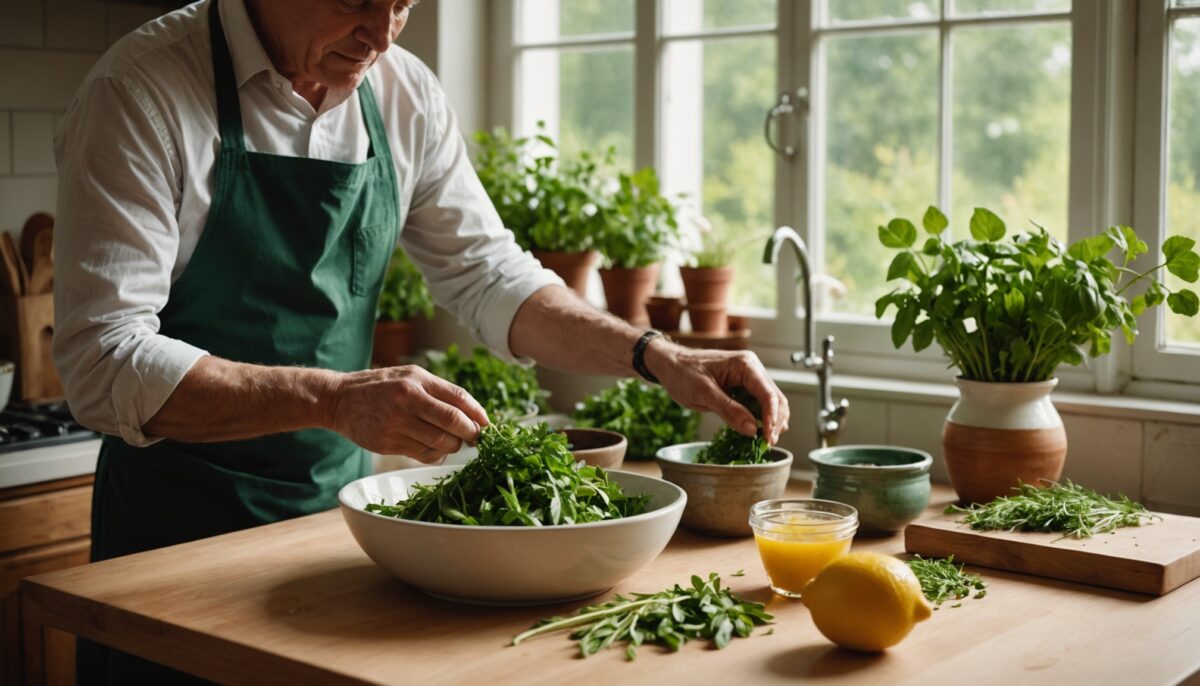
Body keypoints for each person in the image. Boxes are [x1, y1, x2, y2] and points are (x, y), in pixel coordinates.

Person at [53, 0, 790, 682]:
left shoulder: (403, 93)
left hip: (329, 525)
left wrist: (655, 354)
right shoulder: (141, 91)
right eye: (358, 1)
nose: (381, 34)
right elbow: (102, 358)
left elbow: (488, 275)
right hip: (172, 537)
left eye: (404, 5)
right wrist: (333, 398)